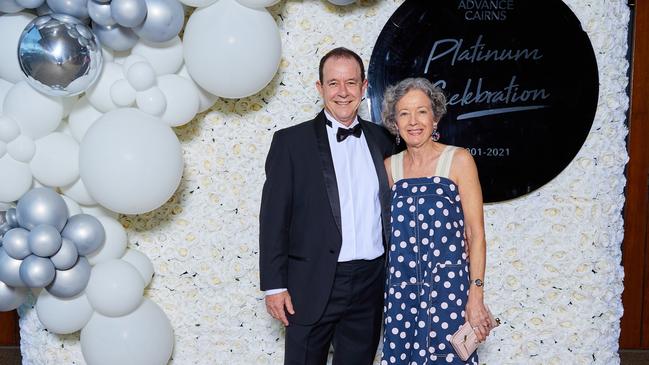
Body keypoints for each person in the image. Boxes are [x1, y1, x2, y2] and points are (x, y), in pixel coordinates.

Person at [259, 47, 395, 365]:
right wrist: (274, 285)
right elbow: (273, 218)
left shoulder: (383, 140)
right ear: (320, 88)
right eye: (333, 83)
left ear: (364, 88)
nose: (343, 92)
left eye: (351, 83)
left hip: (370, 282)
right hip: (312, 280)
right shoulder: (290, 143)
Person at [380, 78, 493, 365]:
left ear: (435, 117)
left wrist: (475, 294)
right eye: (404, 113)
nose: (413, 121)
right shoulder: (389, 167)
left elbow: (475, 234)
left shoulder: (458, 160)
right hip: (402, 288)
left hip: (449, 288)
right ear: (394, 122)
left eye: (421, 111)